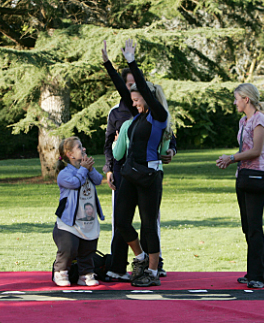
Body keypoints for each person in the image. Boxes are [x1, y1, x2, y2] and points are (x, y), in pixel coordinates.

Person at [102, 39, 171, 287]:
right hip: (131, 174)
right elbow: (125, 90)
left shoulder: (158, 116)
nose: (132, 102)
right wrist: (108, 64)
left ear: (146, 97)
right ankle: (140, 258)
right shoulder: (138, 116)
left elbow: (140, 87)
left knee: (148, 225)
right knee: (121, 221)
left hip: (150, 176)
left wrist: (132, 61)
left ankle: (152, 273)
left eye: (136, 98)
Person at [216, 83, 264, 289]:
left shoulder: (259, 119)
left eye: (237, 98)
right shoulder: (243, 120)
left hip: (256, 175)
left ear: (246, 99)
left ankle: (258, 275)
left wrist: (231, 158)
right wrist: (232, 160)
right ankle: (255, 271)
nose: (234, 102)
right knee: (247, 225)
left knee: (255, 226)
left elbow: (257, 150)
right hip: (244, 175)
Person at [53, 137, 105, 287]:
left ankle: (86, 274)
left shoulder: (85, 170)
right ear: (70, 154)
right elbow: (75, 183)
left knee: (88, 248)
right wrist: (83, 169)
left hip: (87, 220)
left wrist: (89, 169)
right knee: (69, 248)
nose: (83, 149)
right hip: (69, 223)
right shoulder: (64, 173)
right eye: (79, 147)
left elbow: (97, 180)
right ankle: (60, 271)